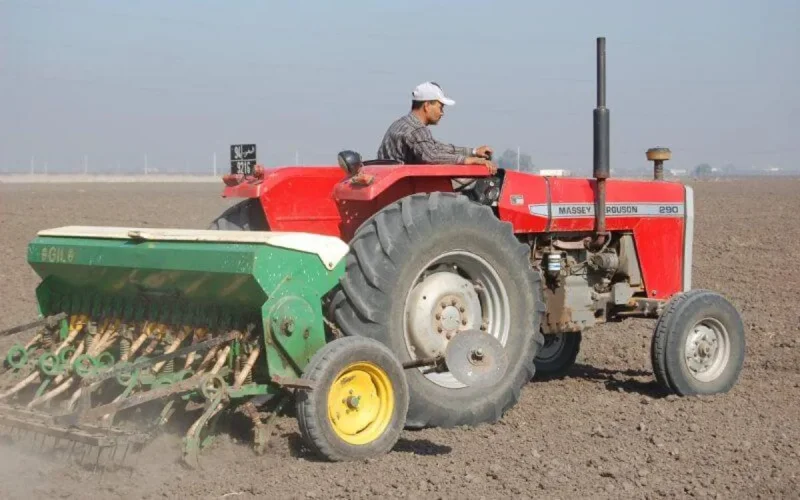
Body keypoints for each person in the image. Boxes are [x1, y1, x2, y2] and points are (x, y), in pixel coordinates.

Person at [376, 82, 497, 173]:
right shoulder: (416, 129)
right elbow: (431, 156)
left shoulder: (401, 124)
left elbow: (436, 148)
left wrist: (474, 152)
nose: (442, 113)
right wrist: (468, 160)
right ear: (427, 105)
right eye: (440, 107)